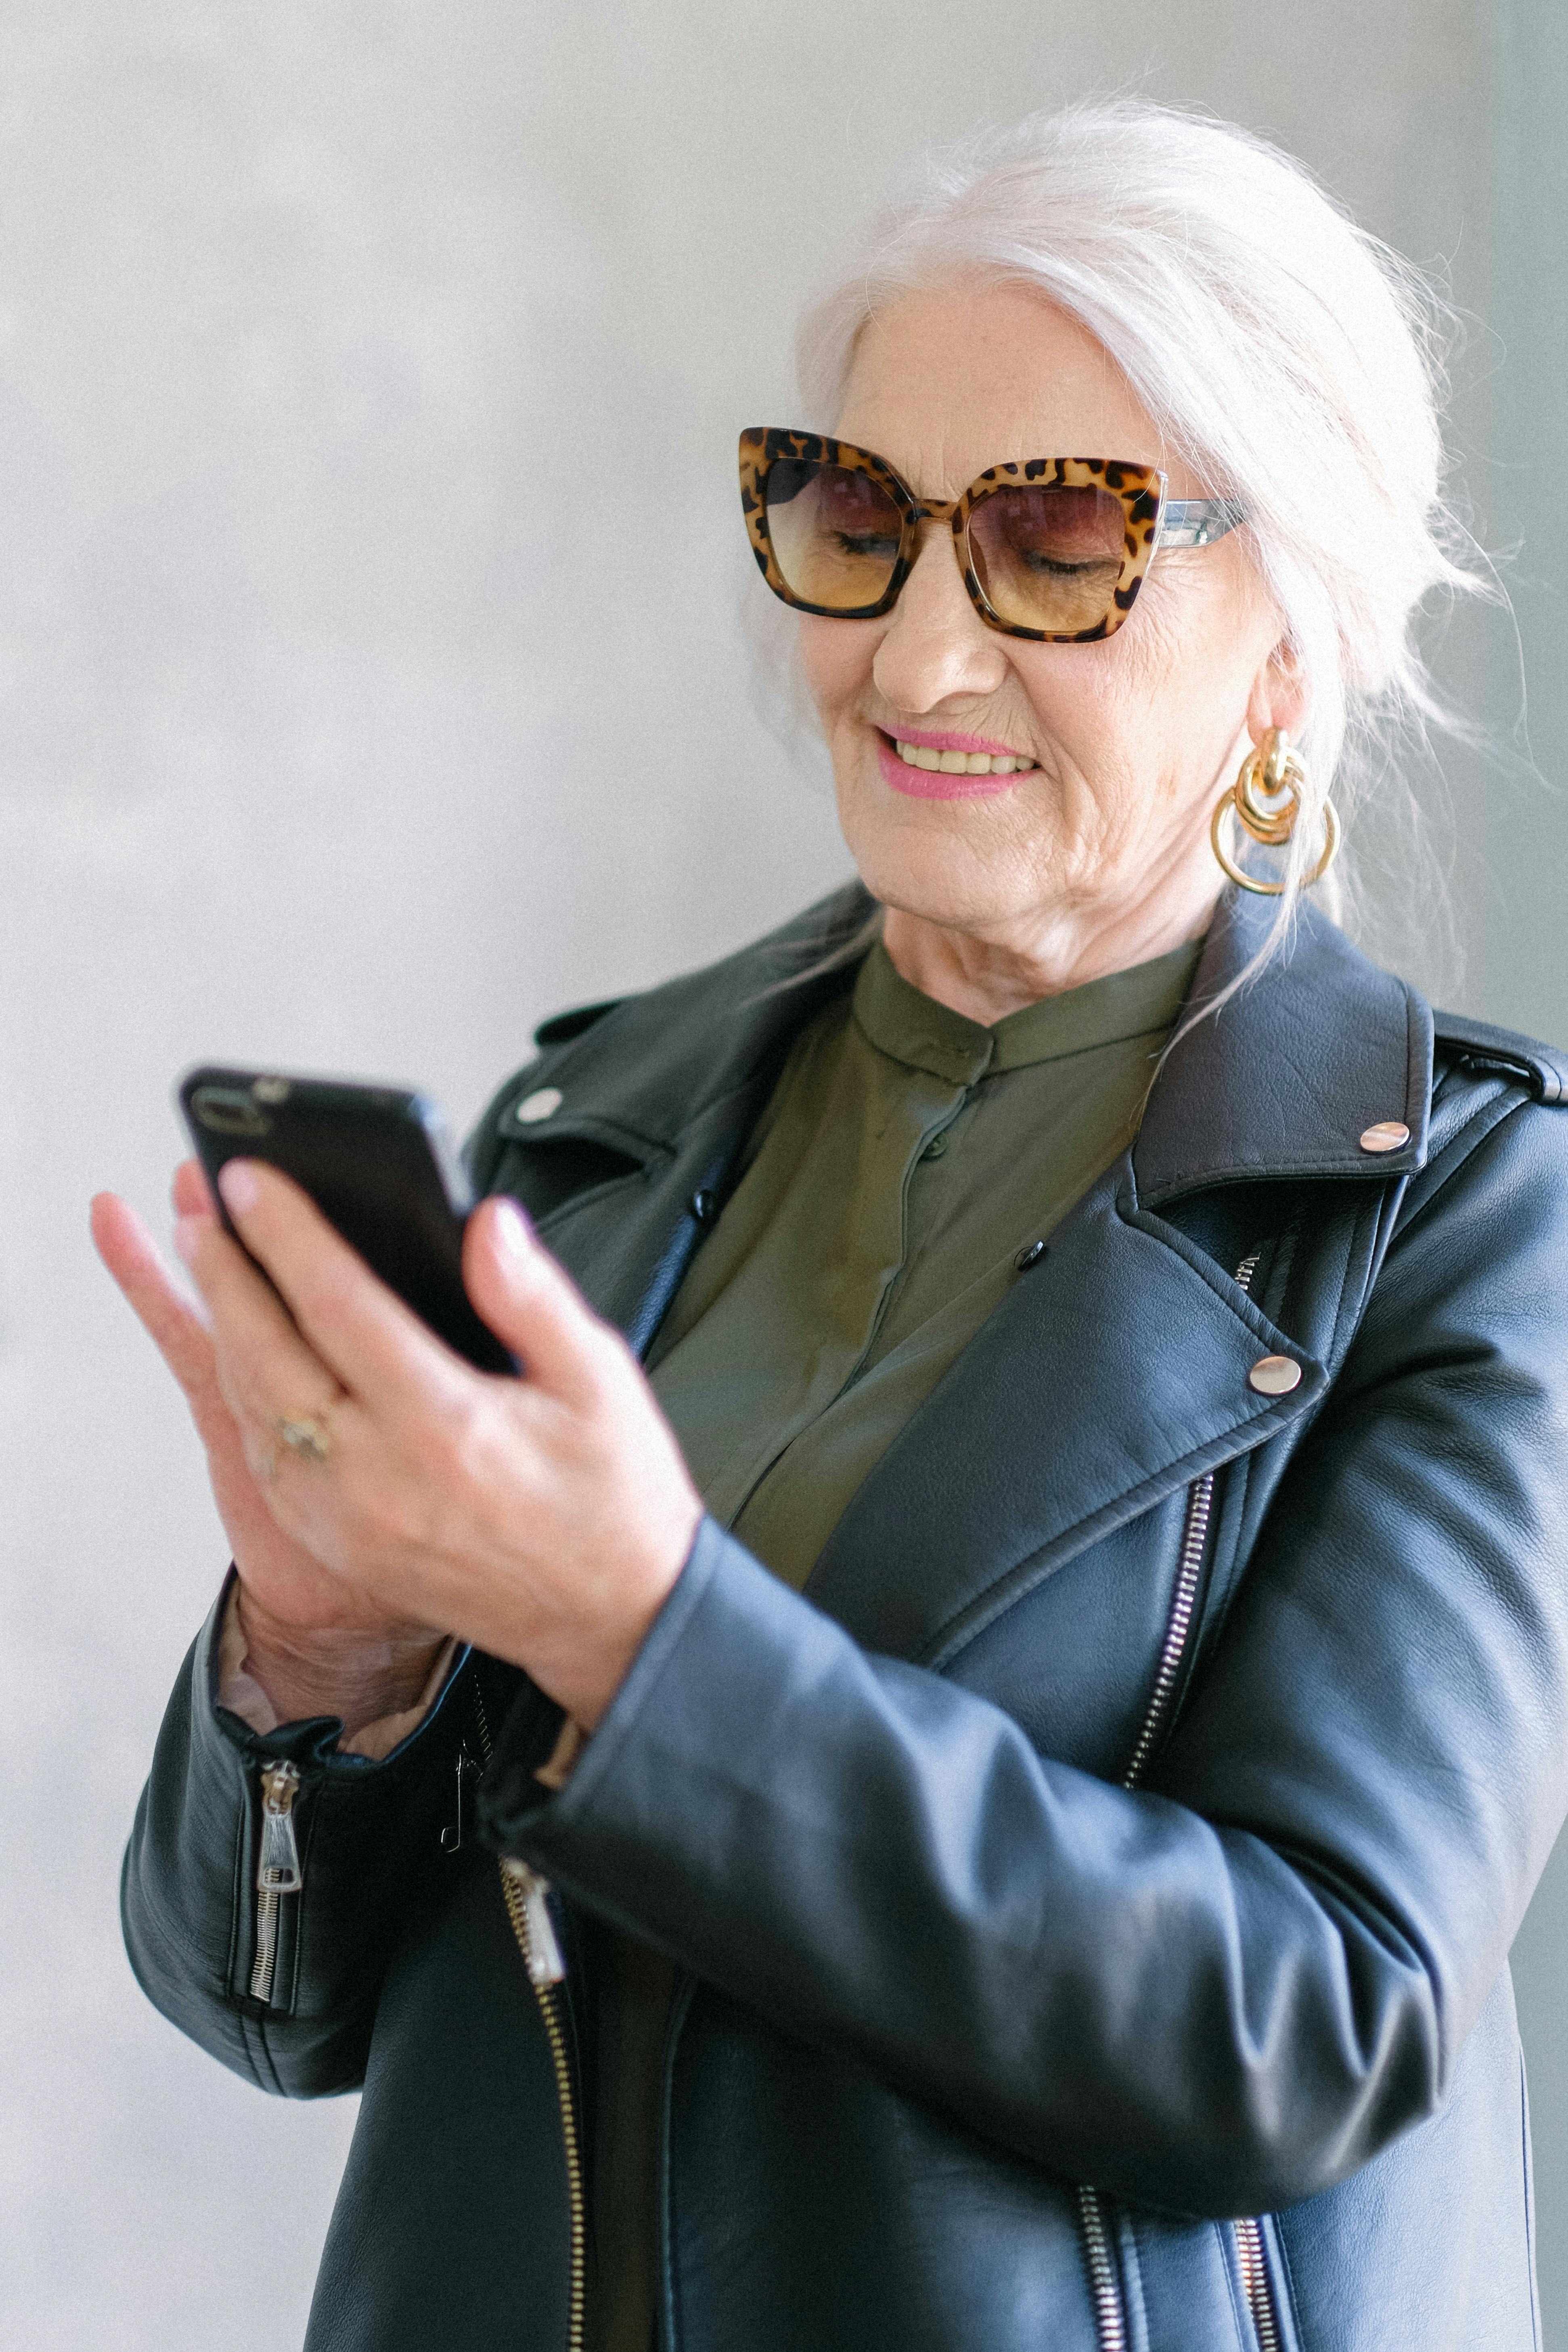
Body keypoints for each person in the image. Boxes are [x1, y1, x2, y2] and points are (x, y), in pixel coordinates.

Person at [95, 97, 1568, 2352]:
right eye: (859, 514)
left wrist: (642, 1633)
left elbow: (1308, 2023)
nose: (918, 655)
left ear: (1292, 641)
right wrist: (326, 1651)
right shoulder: (597, 1127)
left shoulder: (1470, 1210)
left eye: (1063, 538)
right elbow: (272, 2005)